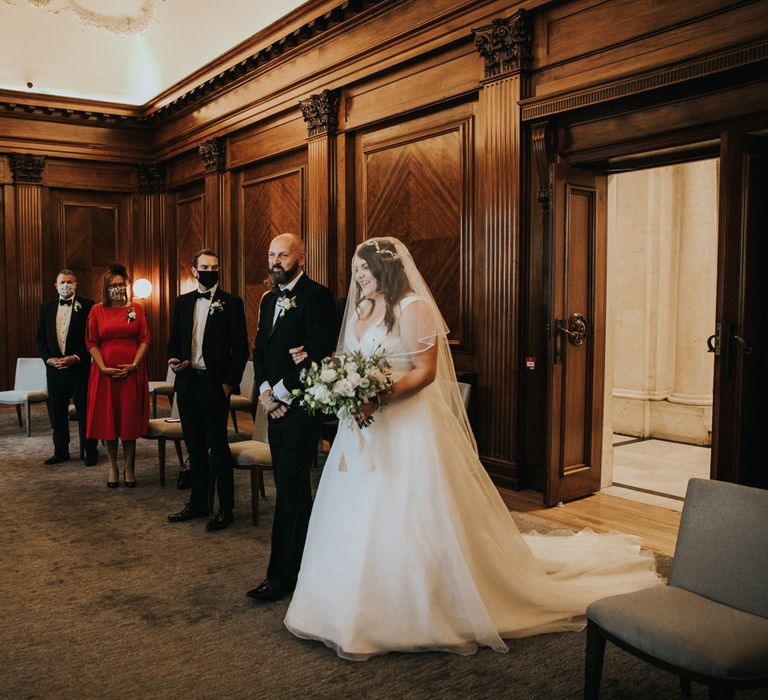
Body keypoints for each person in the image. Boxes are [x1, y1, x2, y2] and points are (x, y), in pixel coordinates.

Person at [283, 237, 660, 660]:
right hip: (362, 429)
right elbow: (349, 356)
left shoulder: (413, 308)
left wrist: (378, 397)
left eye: (364, 272)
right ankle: (342, 603)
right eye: (355, 273)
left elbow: (425, 373)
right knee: (351, 512)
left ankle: (424, 608)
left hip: (406, 427)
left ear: (385, 270)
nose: (358, 280)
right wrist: (337, 376)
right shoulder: (361, 309)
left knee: (411, 514)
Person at [246, 233, 337, 602]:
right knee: (293, 490)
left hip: (302, 409)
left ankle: (279, 577)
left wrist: (281, 395)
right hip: (275, 406)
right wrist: (266, 393)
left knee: (290, 490)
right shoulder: (268, 299)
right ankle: (306, 565)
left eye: (283, 254)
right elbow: (261, 349)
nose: (276, 260)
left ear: (301, 256)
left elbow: (317, 355)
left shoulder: (318, 297)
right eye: (271, 254)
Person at [167, 248, 248, 531]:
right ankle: (198, 502)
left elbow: (240, 349)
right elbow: (174, 340)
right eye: (204, 267)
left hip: (215, 385)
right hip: (188, 383)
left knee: (218, 446)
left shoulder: (232, 303)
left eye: (215, 267)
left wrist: (228, 383)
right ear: (193, 270)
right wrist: (174, 360)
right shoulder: (182, 302)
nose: (210, 271)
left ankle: (226, 508)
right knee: (195, 446)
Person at [85, 264, 151, 488]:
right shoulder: (96, 311)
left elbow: (145, 339)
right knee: (109, 421)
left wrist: (134, 364)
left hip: (131, 373)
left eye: (121, 284)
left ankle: (129, 466)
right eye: (113, 285)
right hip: (105, 375)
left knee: (128, 421)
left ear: (127, 286)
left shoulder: (136, 309)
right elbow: (91, 342)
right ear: (106, 288)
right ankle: (113, 465)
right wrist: (102, 367)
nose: (118, 289)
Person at [36, 269, 98, 466]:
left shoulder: (88, 306)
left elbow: (91, 337)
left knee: (85, 410)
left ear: (76, 284)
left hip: (79, 369)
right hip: (54, 370)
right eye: (62, 282)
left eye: (70, 282)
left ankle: (90, 451)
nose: (66, 285)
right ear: (56, 285)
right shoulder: (46, 308)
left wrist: (77, 357)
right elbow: (40, 340)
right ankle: (60, 451)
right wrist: (49, 360)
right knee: (57, 412)